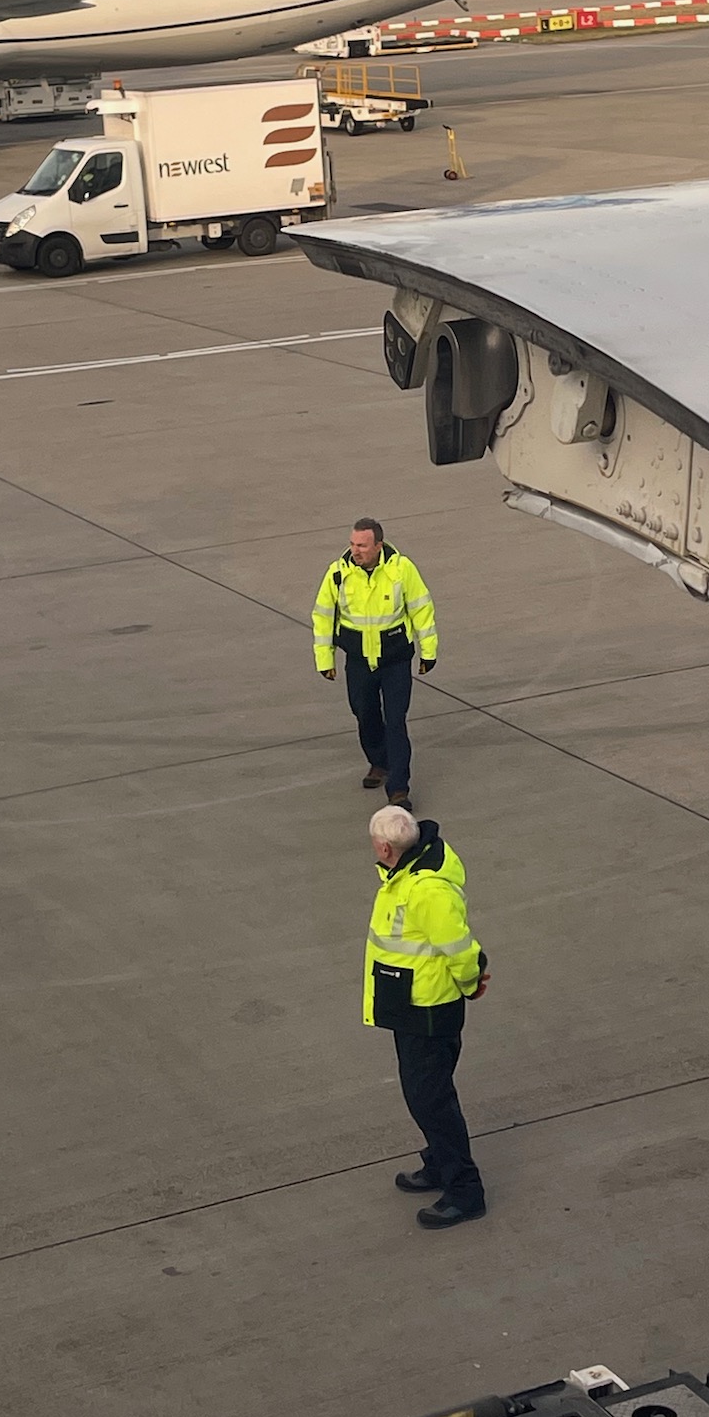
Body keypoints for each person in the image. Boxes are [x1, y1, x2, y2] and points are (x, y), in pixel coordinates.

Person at [364, 805, 488, 1229]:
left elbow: (459, 947)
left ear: (385, 846)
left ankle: (464, 1189)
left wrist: (471, 982)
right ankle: (438, 1163)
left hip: (429, 1009)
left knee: (432, 1100)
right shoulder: (403, 874)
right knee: (423, 1094)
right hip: (409, 1003)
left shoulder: (428, 890)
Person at [312, 518, 437, 807]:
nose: (355, 551)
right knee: (364, 713)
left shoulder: (401, 570)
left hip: (395, 660)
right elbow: (322, 616)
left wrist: (428, 651)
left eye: (362, 545)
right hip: (358, 662)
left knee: (395, 722)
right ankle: (379, 761)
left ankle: (398, 789)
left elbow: (421, 608)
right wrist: (324, 657)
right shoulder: (337, 574)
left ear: (378, 546)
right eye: (353, 544)